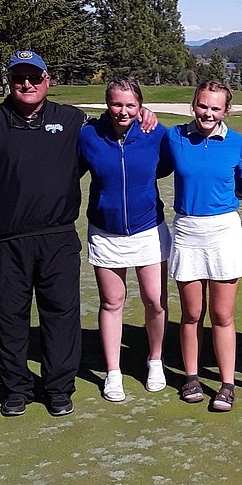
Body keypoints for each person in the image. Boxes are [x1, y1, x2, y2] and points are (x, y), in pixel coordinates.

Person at [0, 51, 156, 418]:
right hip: (5, 240)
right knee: (8, 316)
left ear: (48, 80)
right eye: (19, 77)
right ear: (10, 80)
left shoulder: (73, 120)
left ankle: (58, 388)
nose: (27, 84)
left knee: (61, 315)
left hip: (58, 237)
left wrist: (142, 113)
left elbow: (114, 125)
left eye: (35, 77)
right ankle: (16, 388)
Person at [77, 75, 169, 403]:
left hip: (148, 229)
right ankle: (113, 372)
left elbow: (166, 167)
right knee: (112, 302)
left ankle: (155, 360)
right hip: (105, 231)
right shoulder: (89, 136)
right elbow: (73, 171)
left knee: (155, 301)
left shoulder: (154, 132)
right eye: (117, 103)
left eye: (131, 104)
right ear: (107, 104)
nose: (123, 110)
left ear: (141, 106)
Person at [160, 80, 242, 412]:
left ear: (226, 111)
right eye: (202, 105)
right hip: (187, 230)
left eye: (215, 108)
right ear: (193, 104)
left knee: (223, 315)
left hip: (224, 230)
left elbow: (241, 186)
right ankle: (192, 377)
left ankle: (227, 384)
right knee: (192, 313)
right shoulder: (175, 137)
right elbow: (158, 163)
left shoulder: (236, 142)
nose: (207, 113)